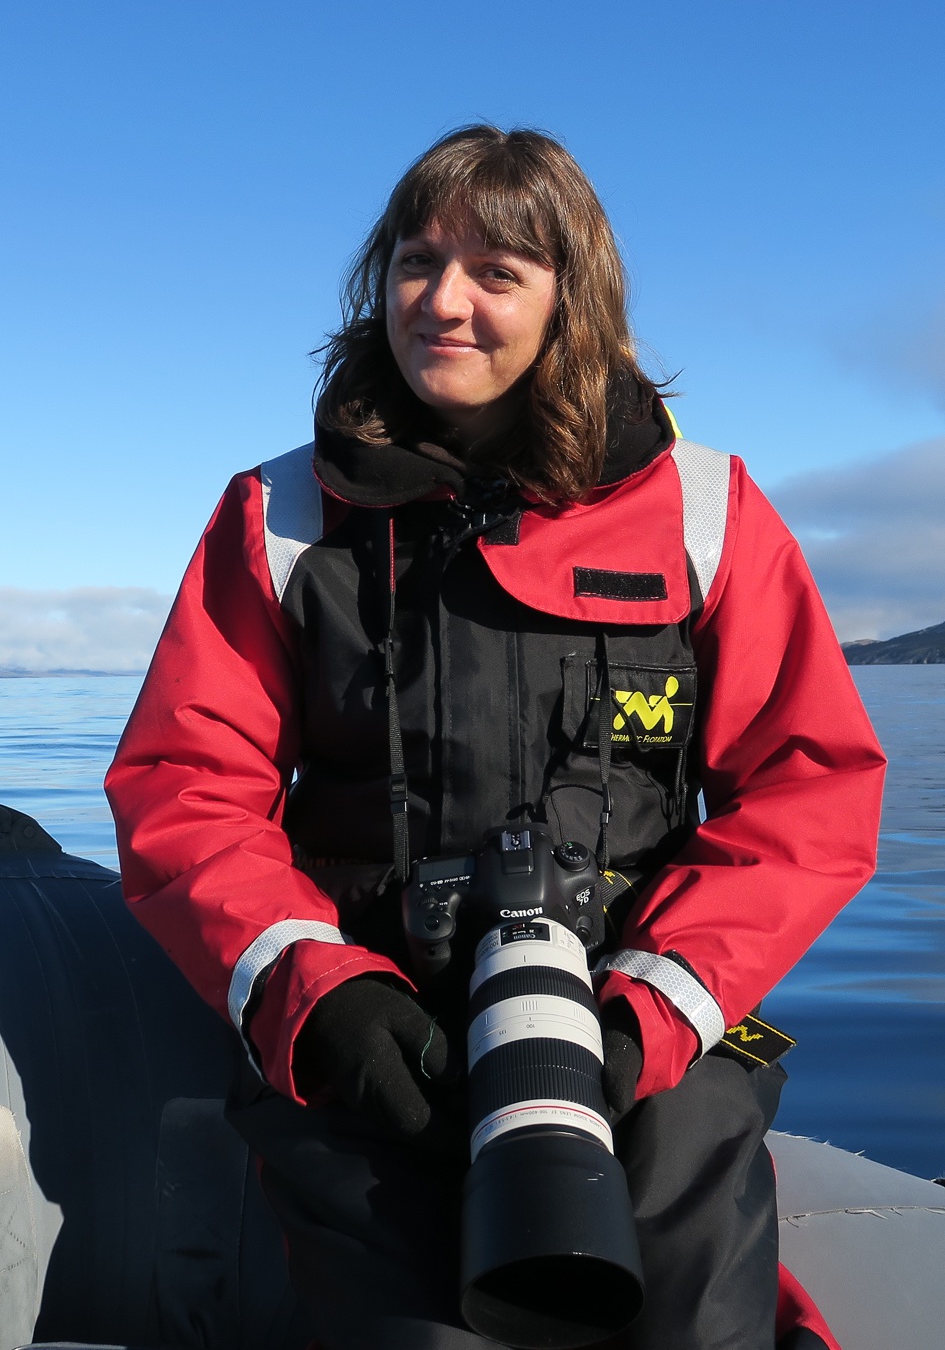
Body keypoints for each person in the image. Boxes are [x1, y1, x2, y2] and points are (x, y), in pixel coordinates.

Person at [106, 125, 886, 1350]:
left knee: (687, 1315)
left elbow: (810, 792)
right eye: (419, 262)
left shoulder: (708, 513)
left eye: (497, 274)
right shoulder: (281, 515)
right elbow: (185, 784)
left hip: (640, 1029)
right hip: (377, 1036)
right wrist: (323, 1002)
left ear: (571, 300)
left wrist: (652, 1012)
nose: (444, 304)